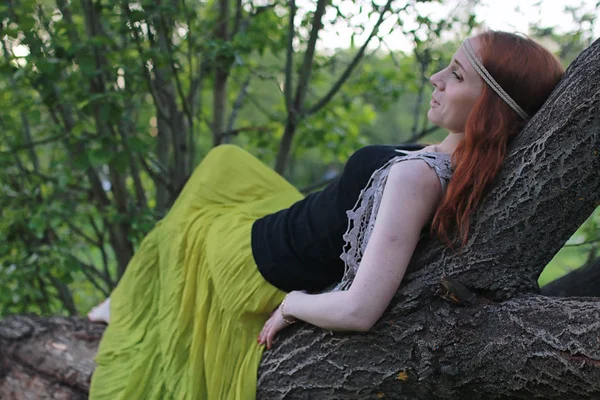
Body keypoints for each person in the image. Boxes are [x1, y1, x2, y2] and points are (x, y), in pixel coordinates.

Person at [88, 30, 565, 399]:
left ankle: (126, 301)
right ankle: (126, 296)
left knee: (191, 217)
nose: (435, 78)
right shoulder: (455, 167)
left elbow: (359, 310)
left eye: (456, 75)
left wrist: (293, 304)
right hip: (298, 220)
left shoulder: (417, 180)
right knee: (225, 163)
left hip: (263, 260)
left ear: (490, 109)